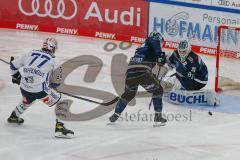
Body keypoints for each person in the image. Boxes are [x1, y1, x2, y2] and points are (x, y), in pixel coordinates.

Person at [7, 38, 74, 138]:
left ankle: (14, 116)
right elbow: (56, 83)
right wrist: (54, 87)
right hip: (40, 91)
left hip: (24, 87)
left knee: (28, 98)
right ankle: (60, 128)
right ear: (53, 48)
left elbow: (13, 65)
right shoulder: (55, 60)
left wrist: (16, 76)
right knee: (62, 101)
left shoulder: (30, 52)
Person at [109, 31, 167, 125]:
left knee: (129, 94)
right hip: (142, 72)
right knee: (158, 90)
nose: (161, 44)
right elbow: (156, 45)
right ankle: (158, 116)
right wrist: (160, 55)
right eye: (161, 42)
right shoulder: (154, 39)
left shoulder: (143, 46)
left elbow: (150, 57)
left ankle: (116, 114)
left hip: (130, 72)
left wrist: (160, 59)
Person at [165, 40, 219, 106]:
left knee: (178, 76)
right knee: (177, 73)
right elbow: (169, 62)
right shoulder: (175, 53)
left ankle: (182, 87)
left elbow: (190, 77)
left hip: (199, 81)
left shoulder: (194, 59)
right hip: (189, 77)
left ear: (188, 50)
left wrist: (179, 82)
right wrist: (164, 59)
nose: (182, 53)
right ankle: (180, 86)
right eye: (180, 51)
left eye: (184, 51)